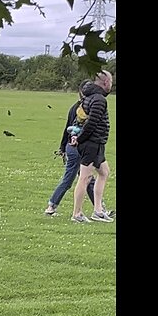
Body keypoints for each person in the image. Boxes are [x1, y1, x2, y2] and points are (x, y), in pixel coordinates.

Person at [42, 82, 97, 217]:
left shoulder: (75, 107)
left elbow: (66, 128)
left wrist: (62, 147)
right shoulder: (82, 109)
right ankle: (51, 206)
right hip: (76, 148)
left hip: (74, 147)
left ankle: (99, 209)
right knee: (70, 179)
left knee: (88, 179)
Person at [69, 71, 113, 223]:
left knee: (104, 172)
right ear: (106, 83)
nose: (111, 85)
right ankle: (77, 214)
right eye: (111, 82)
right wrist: (80, 139)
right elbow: (91, 123)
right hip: (91, 143)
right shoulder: (99, 99)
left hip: (97, 142)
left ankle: (98, 211)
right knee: (85, 178)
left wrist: (77, 137)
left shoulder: (88, 96)